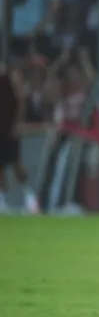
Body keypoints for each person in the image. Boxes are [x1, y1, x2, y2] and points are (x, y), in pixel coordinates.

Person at [0, 62, 40, 214]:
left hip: (9, 128)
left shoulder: (9, 75)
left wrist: (17, 123)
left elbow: (20, 99)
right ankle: (2, 201)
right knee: (0, 167)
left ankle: (30, 197)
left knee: (16, 164)